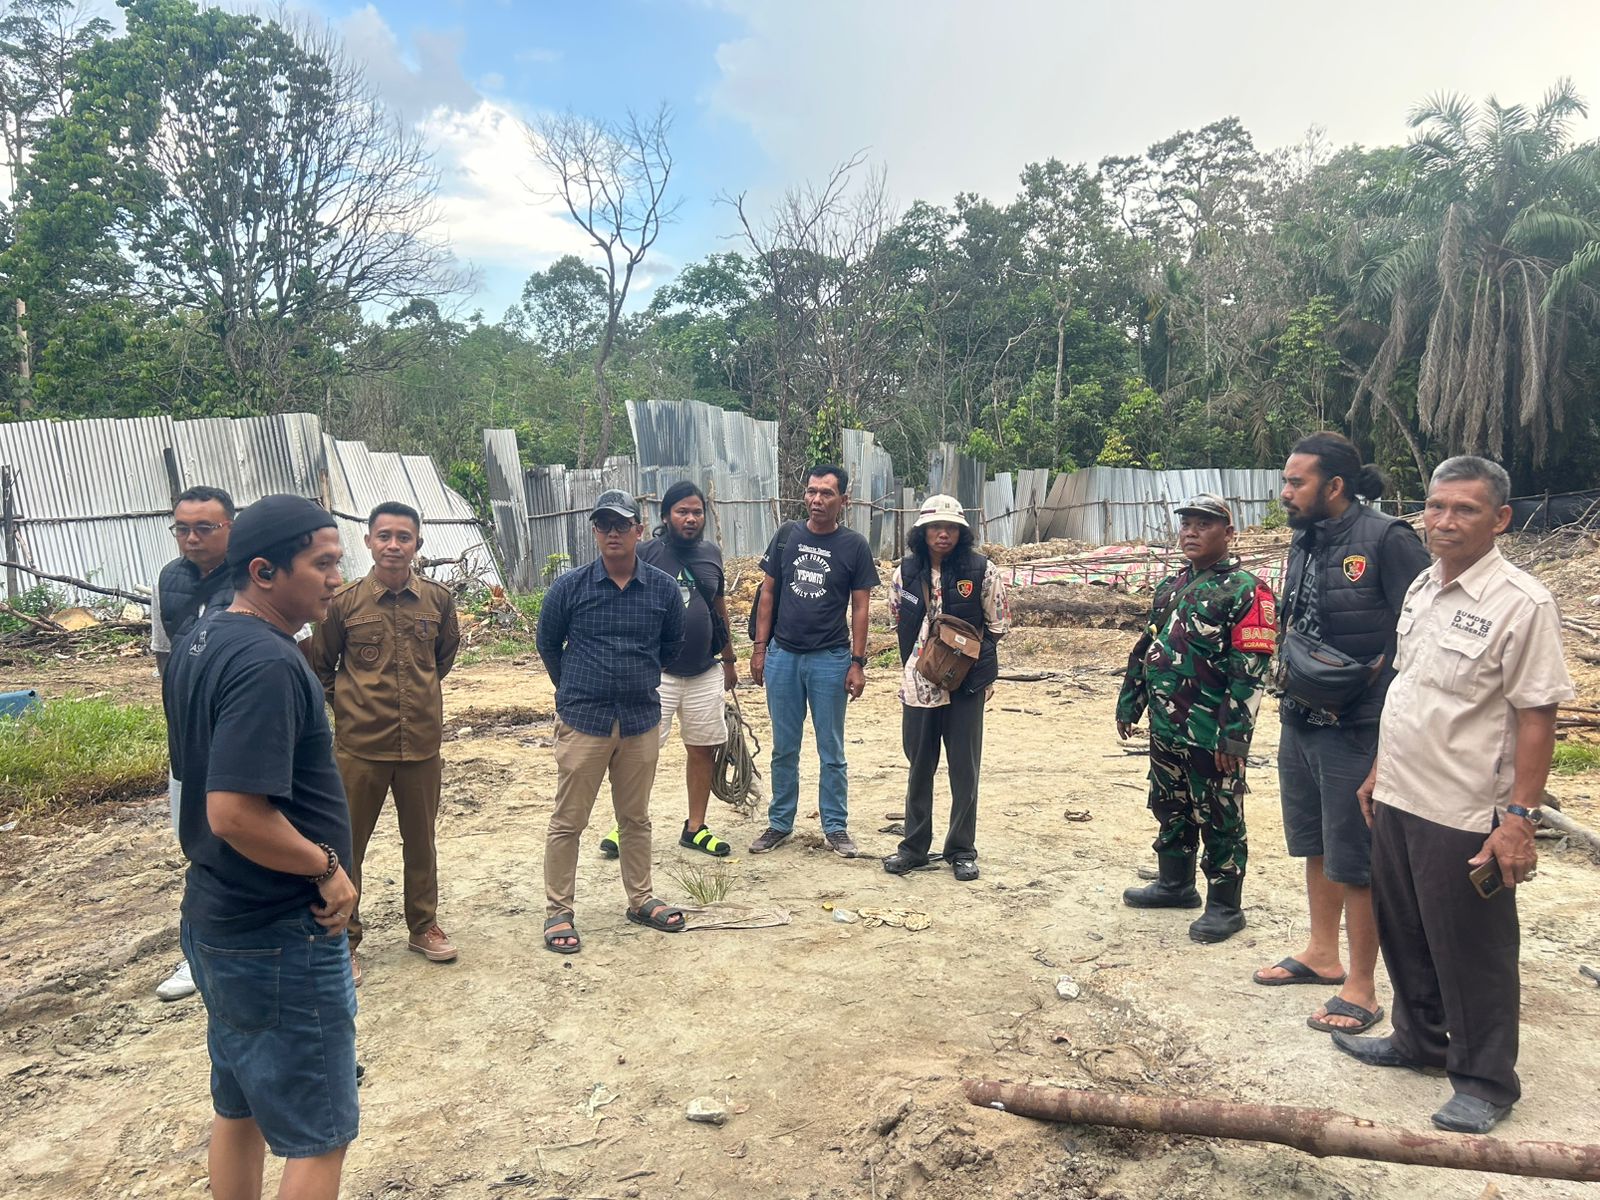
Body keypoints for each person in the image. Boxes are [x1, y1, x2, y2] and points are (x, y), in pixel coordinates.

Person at [1333, 456, 1573, 1134]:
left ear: (1500, 519)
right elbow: (1411, 688)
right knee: (1405, 930)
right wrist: (1379, 768)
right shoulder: (1422, 586)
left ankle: (1486, 1081)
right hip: (1401, 791)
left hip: (1466, 806)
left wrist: (1519, 818)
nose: (1444, 521)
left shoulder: (1522, 603)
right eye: (1436, 506)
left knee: (1473, 949)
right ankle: (1419, 1041)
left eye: (1465, 509)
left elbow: (1537, 717)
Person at [163, 494, 359, 1200]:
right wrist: (326, 868)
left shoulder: (202, 639)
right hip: (275, 931)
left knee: (240, 1103)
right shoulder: (268, 662)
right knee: (319, 1135)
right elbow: (235, 813)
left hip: (217, 919)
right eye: (323, 563)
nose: (337, 578)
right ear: (264, 572)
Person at [1253, 433, 1432, 1035]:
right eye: (1285, 480)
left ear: (1334, 485)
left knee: (1357, 859)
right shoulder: (1305, 538)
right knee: (1317, 843)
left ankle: (1362, 985)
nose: (1285, 493)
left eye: (1295, 482)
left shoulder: (1387, 539)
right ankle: (1321, 953)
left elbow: (1420, 635)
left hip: (1357, 725)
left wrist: (1389, 723)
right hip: (1302, 716)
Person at [309, 501, 462, 985]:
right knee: (347, 846)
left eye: (404, 537)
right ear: (369, 542)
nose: (394, 546)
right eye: (384, 536)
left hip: (421, 746)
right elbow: (320, 665)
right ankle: (345, 940)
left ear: (418, 544)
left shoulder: (438, 601)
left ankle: (423, 926)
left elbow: (442, 658)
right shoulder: (344, 603)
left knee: (421, 842)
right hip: (360, 749)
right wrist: (351, 706)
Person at [1115, 495, 1278, 941]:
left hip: (1211, 730)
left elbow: (1250, 671)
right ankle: (1175, 884)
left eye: (1203, 524)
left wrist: (1235, 738)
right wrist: (1130, 701)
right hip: (1166, 725)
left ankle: (1225, 906)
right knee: (1170, 805)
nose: (1191, 531)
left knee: (1220, 814)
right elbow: (1147, 646)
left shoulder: (1247, 590)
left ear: (1229, 533)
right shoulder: (1171, 585)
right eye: (1186, 523)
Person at [535, 489, 688, 953]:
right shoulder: (570, 587)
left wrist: (634, 678)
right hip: (585, 719)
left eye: (622, 525)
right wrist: (575, 687)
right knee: (569, 820)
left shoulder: (663, 589)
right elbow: (548, 645)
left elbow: (671, 646)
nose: (613, 533)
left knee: (635, 818)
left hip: (640, 719)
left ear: (639, 531)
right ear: (595, 532)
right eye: (604, 525)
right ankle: (558, 910)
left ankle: (640, 899)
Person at [597, 481, 740, 859]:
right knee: (639, 753)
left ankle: (696, 828)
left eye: (697, 512)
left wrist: (729, 660)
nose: (690, 518)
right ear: (665, 516)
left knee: (702, 750)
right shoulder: (646, 553)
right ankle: (626, 824)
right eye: (682, 512)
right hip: (656, 674)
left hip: (704, 671)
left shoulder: (711, 554)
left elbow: (719, 608)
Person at [748, 464, 880, 858]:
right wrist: (760, 648)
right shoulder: (787, 536)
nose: (816, 500)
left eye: (826, 493)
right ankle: (779, 823)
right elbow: (768, 594)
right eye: (811, 491)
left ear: (844, 500)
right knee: (783, 748)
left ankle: (835, 827)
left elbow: (860, 607)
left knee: (831, 750)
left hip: (830, 658)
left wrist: (857, 662)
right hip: (783, 656)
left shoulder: (854, 546)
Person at [880, 495, 1009, 881]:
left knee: (964, 770)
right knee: (919, 766)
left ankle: (961, 850)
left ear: (961, 532)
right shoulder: (904, 573)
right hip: (917, 684)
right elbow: (897, 618)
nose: (943, 534)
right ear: (922, 532)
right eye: (935, 527)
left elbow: (997, 624)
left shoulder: (982, 570)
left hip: (966, 686)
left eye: (951, 527)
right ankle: (913, 848)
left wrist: (967, 665)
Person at [150, 486, 236, 1003]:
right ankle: (199, 951)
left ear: (231, 528)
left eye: (205, 528)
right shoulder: (168, 581)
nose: (192, 538)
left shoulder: (256, 575)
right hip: (188, 741)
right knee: (199, 845)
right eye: (182, 528)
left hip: (242, 738)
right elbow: (164, 656)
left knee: (251, 838)